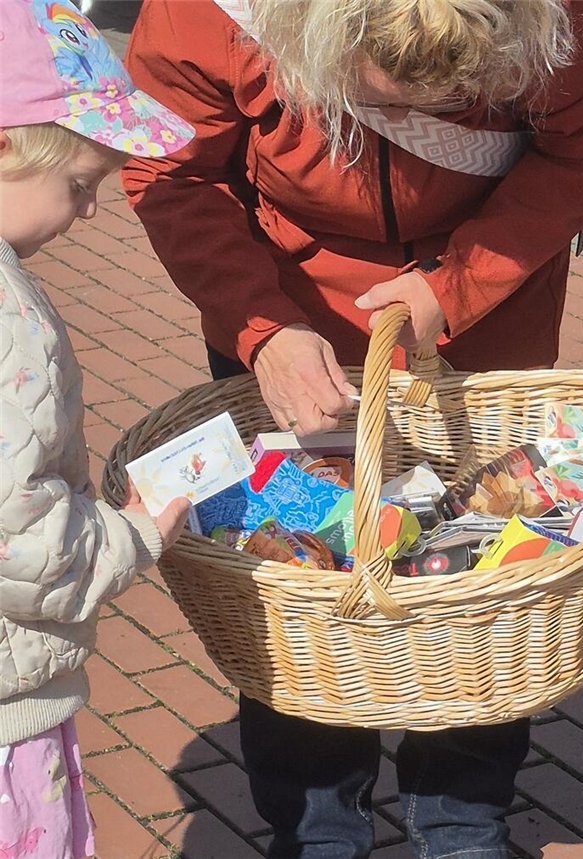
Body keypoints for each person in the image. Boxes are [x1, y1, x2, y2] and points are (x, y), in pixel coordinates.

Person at [121, 0, 583, 856]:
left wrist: (460, 284)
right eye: (386, 98)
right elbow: (173, 167)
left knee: (485, 580)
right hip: (283, 304)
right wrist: (257, 326)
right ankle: (316, 818)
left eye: (454, 100)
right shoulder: (207, 14)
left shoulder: (577, 14)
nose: (410, 121)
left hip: (484, 304)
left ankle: (463, 810)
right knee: (300, 583)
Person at [0, 2, 195, 857]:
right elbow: (17, 531)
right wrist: (134, 533)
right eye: (80, 185)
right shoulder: (10, 320)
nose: (86, 213)